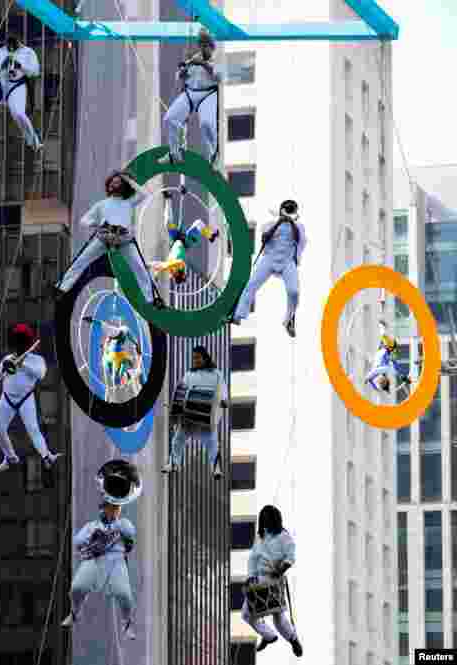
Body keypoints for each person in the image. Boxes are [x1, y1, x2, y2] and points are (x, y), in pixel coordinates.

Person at [56, 170, 159, 303]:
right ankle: (61, 288)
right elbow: (84, 220)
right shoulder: (102, 204)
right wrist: (97, 225)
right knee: (81, 260)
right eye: (112, 181)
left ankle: (150, 299)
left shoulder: (128, 202)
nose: (113, 184)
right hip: (104, 237)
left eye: (117, 182)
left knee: (139, 267)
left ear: (124, 186)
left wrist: (128, 179)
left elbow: (144, 194)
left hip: (124, 239)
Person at [62, 493, 138, 641]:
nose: (111, 510)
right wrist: (92, 538)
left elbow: (130, 533)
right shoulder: (92, 526)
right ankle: (75, 613)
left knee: (125, 595)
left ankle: (127, 624)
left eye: (114, 507)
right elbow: (78, 541)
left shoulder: (123, 523)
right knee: (76, 588)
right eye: (108, 507)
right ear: (103, 509)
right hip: (94, 560)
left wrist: (116, 528)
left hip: (116, 561)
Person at [228, 200, 307, 337]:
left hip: (287, 261)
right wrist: (279, 221)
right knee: (251, 285)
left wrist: (291, 221)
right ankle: (238, 315)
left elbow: (299, 239)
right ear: (281, 209)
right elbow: (264, 238)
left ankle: (289, 319)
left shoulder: (298, 226)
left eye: (292, 209)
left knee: (294, 291)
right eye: (288, 209)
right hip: (269, 259)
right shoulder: (271, 224)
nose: (289, 211)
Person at [0, 324, 61, 472]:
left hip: (25, 399)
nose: (18, 349)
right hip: (7, 399)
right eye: (16, 345)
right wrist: (4, 366)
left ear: (26, 344)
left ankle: (47, 456)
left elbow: (41, 374)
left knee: (33, 429)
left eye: (21, 344)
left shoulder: (36, 360)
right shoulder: (8, 358)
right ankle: (10, 457)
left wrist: (23, 364)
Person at [243, 505, 303, 657]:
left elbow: (290, 557)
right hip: (257, 580)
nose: (265, 523)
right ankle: (269, 636)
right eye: (263, 520)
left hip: (273, 579)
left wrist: (281, 569)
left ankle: (293, 639)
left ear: (274, 519)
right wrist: (250, 577)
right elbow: (253, 559)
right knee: (246, 614)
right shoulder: (261, 536)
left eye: (267, 520)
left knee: (279, 618)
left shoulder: (284, 537)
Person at [162, 345, 227, 477]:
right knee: (177, 441)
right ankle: (173, 464)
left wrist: (224, 401)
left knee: (213, 444)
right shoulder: (189, 374)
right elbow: (180, 394)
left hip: (207, 419)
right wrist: (174, 417)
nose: (195, 360)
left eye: (198, 358)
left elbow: (222, 392)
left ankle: (216, 469)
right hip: (188, 418)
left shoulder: (216, 374)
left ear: (205, 358)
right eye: (194, 358)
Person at [162, 29, 220, 166]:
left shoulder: (217, 59)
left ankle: (213, 155)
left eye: (206, 45)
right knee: (170, 118)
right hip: (190, 93)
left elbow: (219, 77)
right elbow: (180, 77)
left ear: (212, 47)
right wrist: (183, 71)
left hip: (208, 94)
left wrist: (203, 64)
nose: (203, 48)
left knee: (207, 124)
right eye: (201, 45)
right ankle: (174, 154)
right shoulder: (193, 58)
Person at [150, 191, 219, 285]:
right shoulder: (180, 265)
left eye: (174, 275)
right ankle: (211, 235)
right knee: (199, 224)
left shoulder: (170, 270)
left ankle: (168, 198)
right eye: (175, 275)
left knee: (167, 222)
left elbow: (159, 267)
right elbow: (173, 263)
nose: (172, 274)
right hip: (186, 242)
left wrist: (155, 274)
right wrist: (161, 267)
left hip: (176, 239)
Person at [365, 320, 411, 393]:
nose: (380, 381)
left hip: (383, 350)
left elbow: (371, 379)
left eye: (380, 382)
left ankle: (382, 326)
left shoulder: (379, 373)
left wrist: (377, 387)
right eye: (382, 382)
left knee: (384, 339)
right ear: (385, 379)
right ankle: (382, 326)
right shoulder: (385, 370)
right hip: (388, 349)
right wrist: (405, 379)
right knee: (384, 337)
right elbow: (373, 374)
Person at [99, 317, 142, 391]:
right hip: (115, 356)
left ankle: (122, 379)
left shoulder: (122, 332)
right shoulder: (115, 334)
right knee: (117, 371)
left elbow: (131, 338)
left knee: (118, 371)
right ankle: (122, 379)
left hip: (117, 356)